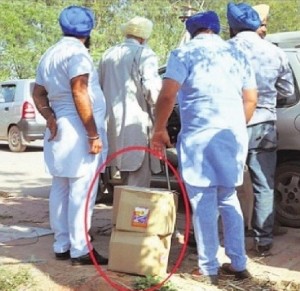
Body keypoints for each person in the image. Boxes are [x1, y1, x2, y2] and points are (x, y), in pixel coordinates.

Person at [151, 11, 257, 285]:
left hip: (199, 137)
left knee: (203, 201)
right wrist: (234, 127)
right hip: (230, 137)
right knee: (228, 197)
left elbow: (167, 94)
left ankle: (209, 267)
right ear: (217, 29)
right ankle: (238, 262)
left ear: (191, 31)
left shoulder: (183, 54)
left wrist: (159, 129)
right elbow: (250, 99)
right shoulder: (237, 55)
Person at [32, 5, 108, 266]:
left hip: (60, 131)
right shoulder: (77, 53)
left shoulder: (50, 54)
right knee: (82, 191)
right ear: (88, 31)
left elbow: (37, 92)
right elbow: (79, 92)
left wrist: (50, 117)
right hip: (78, 132)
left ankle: (62, 243)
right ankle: (80, 249)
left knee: (61, 187)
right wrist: (92, 134)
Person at [227, 2, 295, 257]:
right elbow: (288, 92)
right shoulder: (275, 52)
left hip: (230, 124)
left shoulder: (225, 50)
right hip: (264, 123)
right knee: (263, 184)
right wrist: (266, 101)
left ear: (231, 27)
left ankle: (229, 239)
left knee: (225, 184)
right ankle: (263, 240)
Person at [98, 16, 161, 188]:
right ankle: (133, 215)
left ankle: (124, 214)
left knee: (124, 178)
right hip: (136, 124)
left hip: (112, 125)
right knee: (138, 184)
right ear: (144, 36)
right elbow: (153, 92)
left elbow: (99, 87)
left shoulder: (108, 54)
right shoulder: (144, 53)